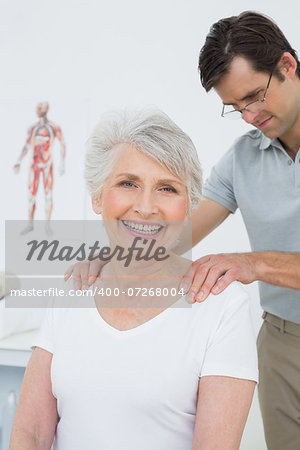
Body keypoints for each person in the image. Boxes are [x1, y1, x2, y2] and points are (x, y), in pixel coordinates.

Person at [66, 12, 300, 450]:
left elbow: (250, 264)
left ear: (287, 66)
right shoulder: (243, 158)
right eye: (236, 107)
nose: (250, 116)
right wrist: (117, 254)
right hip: (284, 343)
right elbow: (177, 231)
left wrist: (255, 263)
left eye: (254, 97)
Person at [10, 110, 257, 450]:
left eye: (167, 188)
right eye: (128, 183)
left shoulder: (221, 303)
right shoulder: (74, 287)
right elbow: (31, 434)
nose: (146, 207)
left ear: (187, 208)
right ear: (98, 196)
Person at [13, 101, 66, 234]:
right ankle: (30, 224)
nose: (36, 110)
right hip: (34, 165)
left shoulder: (53, 127)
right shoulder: (33, 128)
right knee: (31, 195)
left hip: (47, 164)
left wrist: (62, 163)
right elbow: (26, 145)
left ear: (45, 109)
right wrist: (19, 160)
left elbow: (62, 143)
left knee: (48, 195)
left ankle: (47, 225)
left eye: (39, 108)